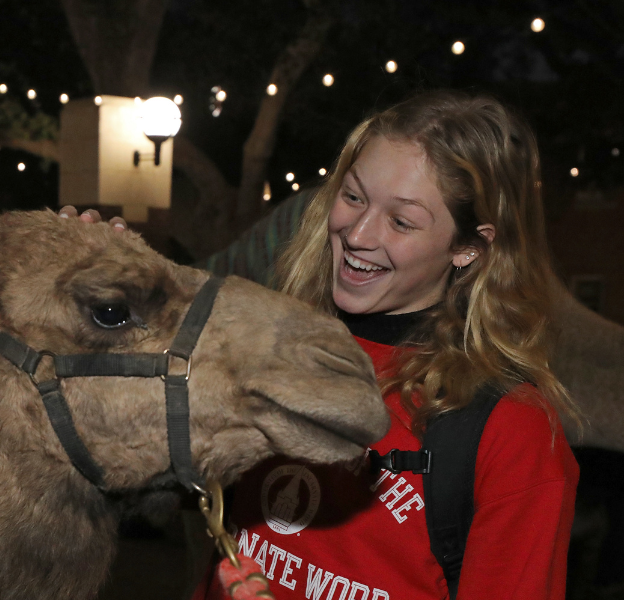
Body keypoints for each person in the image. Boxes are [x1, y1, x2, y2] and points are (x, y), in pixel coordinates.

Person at [196, 91, 579, 599]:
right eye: (353, 197)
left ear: (469, 248)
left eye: (401, 221)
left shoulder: (514, 433)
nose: (357, 233)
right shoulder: (268, 345)